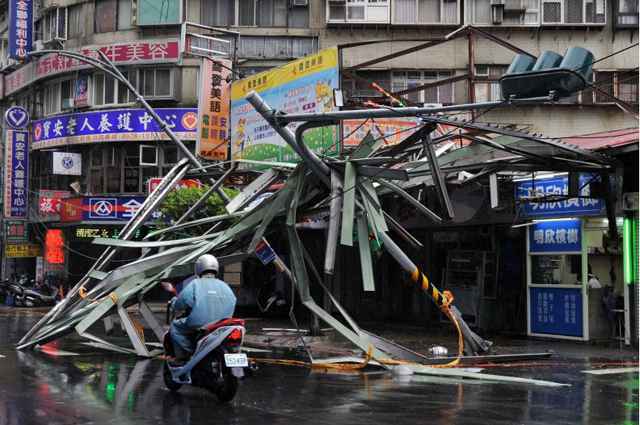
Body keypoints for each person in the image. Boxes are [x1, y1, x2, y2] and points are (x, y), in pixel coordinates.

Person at [170, 254, 237, 360]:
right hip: (223, 325)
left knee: (175, 327)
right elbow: (233, 301)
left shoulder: (195, 284)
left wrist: (174, 303)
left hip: (199, 324)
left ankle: (189, 354)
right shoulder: (225, 286)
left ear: (198, 268)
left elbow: (181, 303)